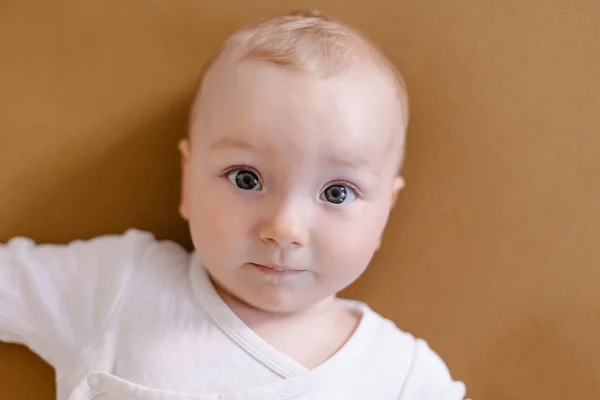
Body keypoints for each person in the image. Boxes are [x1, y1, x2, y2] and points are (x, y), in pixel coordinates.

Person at [0, 10, 468, 400]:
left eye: (337, 193)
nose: (284, 228)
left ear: (387, 208)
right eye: (246, 179)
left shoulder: (405, 377)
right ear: (188, 180)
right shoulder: (119, 284)